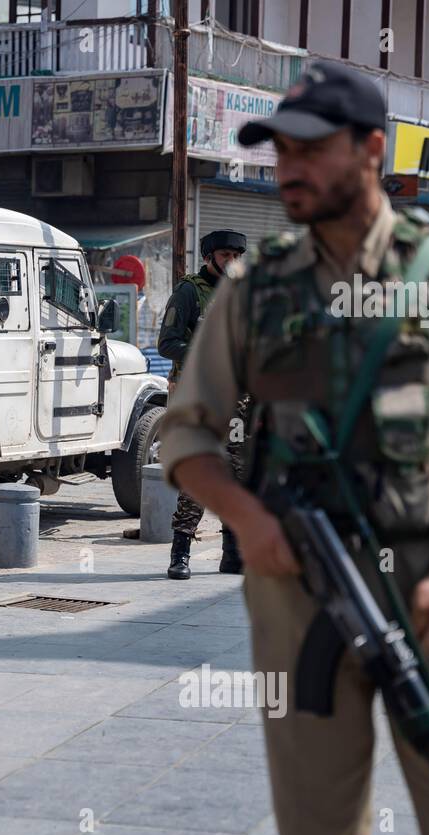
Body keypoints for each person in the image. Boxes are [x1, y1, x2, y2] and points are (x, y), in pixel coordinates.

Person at [159, 62, 429, 835]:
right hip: (299, 594)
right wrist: (250, 523)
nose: (287, 167)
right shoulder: (253, 290)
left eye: (310, 148)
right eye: (277, 150)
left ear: (372, 149)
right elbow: (186, 435)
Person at [157, 229, 249, 579]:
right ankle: (180, 553)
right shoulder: (189, 292)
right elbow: (167, 343)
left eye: (237, 255)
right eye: (226, 255)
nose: (233, 262)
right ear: (209, 256)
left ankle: (232, 554)